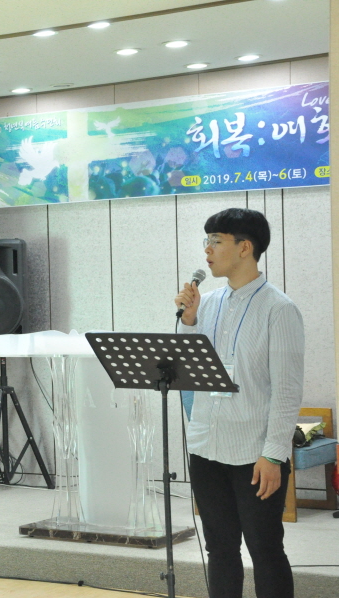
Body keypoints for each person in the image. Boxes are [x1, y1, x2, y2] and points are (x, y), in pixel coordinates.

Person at [174, 208, 304, 598]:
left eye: (216, 241)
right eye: (207, 241)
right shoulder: (208, 303)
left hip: (254, 453)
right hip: (206, 447)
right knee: (219, 548)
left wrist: (274, 454)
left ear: (245, 247)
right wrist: (188, 321)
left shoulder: (279, 309)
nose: (207, 250)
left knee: (265, 549)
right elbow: (189, 372)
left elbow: (286, 390)